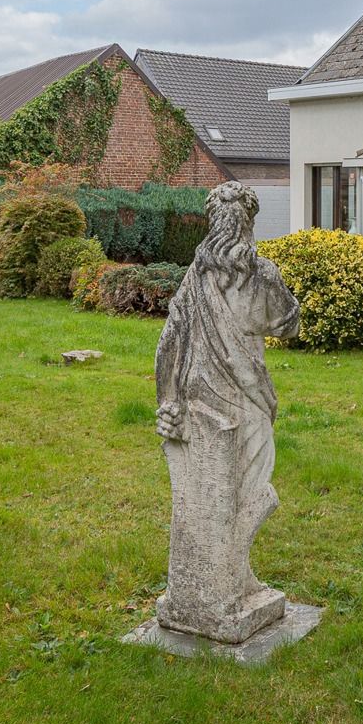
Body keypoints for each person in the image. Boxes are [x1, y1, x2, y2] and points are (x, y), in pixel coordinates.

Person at [152, 181, 300, 643]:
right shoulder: (261, 275)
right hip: (246, 405)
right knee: (246, 491)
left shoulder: (194, 279)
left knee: (209, 497)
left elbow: (169, 343)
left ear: (212, 221)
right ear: (249, 223)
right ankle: (223, 588)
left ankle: (220, 582)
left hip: (196, 405)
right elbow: (289, 323)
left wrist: (167, 400)